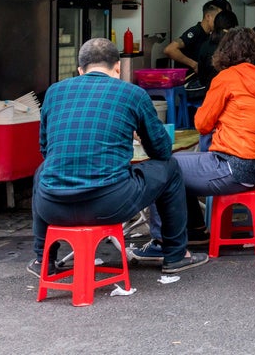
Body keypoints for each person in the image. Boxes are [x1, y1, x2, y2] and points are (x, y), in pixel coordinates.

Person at [29, 38, 207, 278]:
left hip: (53, 206)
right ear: (117, 68)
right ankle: (175, 255)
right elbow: (162, 151)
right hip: (110, 204)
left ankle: (44, 259)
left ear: (80, 70)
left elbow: (46, 149)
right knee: (171, 167)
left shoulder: (54, 92)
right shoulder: (132, 93)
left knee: (43, 170)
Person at [128, 28, 255, 262]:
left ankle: (161, 241)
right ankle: (195, 230)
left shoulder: (226, 78)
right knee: (178, 168)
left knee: (161, 167)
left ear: (225, 52)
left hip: (229, 167)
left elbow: (203, 124)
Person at [163, 0, 233, 72]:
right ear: (208, 17)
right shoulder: (196, 31)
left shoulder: (208, 35)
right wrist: (194, 65)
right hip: (188, 81)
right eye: (218, 18)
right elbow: (169, 49)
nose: (220, 21)